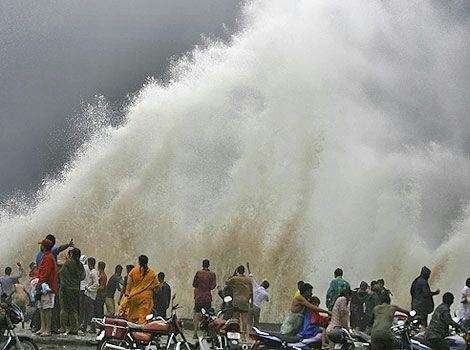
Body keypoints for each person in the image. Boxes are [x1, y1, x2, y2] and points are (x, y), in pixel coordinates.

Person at [118, 255, 158, 324]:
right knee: (143, 317)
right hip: (145, 299)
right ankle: (141, 332)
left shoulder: (134, 271)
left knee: (131, 316)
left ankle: (130, 331)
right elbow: (156, 288)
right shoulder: (152, 273)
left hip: (134, 297)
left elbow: (128, 284)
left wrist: (127, 294)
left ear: (139, 262)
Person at [58, 248, 85, 335]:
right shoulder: (80, 265)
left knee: (64, 309)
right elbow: (83, 277)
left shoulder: (68, 263)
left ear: (72, 254)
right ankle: (74, 328)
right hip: (76, 289)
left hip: (65, 289)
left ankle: (62, 327)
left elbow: (61, 273)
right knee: (74, 310)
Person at [36, 239, 58, 337]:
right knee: (41, 308)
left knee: (47, 309)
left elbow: (46, 272)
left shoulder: (48, 257)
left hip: (47, 287)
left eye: (41, 245)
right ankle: (42, 327)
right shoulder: (46, 256)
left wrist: (40, 282)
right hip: (42, 285)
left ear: (44, 247)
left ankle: (47, 329)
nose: (40, 246)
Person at [226, 265, 253, 339]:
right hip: (245, 301)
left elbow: (227, 283)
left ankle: (236, 334)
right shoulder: (248, 280)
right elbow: (251, 292)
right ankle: (244, 336)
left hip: (237, 301)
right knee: (244, 319)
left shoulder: (235, 278)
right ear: (244, 271)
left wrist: (233, 274)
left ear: (238, 271)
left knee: (236, 318)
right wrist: (249, 300)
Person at [192, 259, 217, 338]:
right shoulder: (212, 274)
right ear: (208, 265)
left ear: (202, 265)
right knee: (207, 315)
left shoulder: (198, 273)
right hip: (207, 297)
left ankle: (195, 333)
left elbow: (194, 284)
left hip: (198, 297)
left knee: (196, 314)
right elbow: (213, 286)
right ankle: (205, 334)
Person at [81, 257, 99, 333]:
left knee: (90, 312)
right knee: (87, 311)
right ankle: (85, 326)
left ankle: (92, 328)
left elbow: (96, 284)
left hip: (90, 295)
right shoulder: (92, 272)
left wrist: (88, 288)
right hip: (88, 294)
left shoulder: (94, 273)